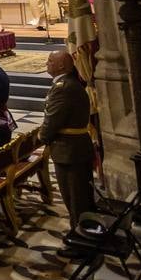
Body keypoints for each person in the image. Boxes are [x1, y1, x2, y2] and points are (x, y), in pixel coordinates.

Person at [40, 50, 95, 232]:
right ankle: (83, 229)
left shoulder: (62, 88)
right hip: (76, 147)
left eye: (50, 60)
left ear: (62, 65)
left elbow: (53, 119)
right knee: (79, 194)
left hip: (69, 150)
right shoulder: (70, 84)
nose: (47, 63)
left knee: (75, 197)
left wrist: (43, 137)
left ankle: (81, 234)